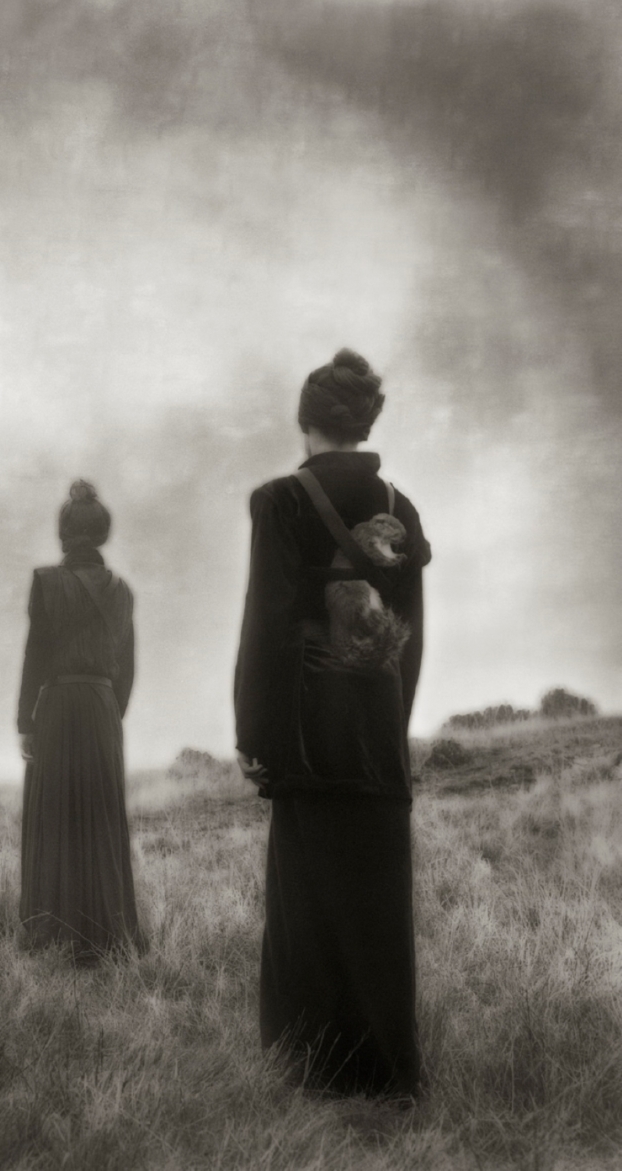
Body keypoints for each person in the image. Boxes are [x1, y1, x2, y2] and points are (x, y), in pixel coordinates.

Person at [234, 348, 431, 1100]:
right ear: (365, 423)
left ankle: (309, 1068)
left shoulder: (281, 502)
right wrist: (392, 725)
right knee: (377, 900)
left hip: (305, 727)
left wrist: (257, 736)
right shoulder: (402, 507)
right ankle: (385, 1072)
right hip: (376, 724)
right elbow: (411, 635)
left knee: (306, 896)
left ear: (306, 421)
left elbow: (267, 624)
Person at [17, 480, 143, 962]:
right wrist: (110, 713)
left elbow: (35, 657)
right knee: (101, 818)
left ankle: (52, 933)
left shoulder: (46, 582)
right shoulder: (122, 591)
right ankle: (107, 935)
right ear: (103, 533)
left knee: (54, 816)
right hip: (102, 706)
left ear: (63, 533)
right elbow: (127, 667)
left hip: (57, 706)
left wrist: (25, 722)